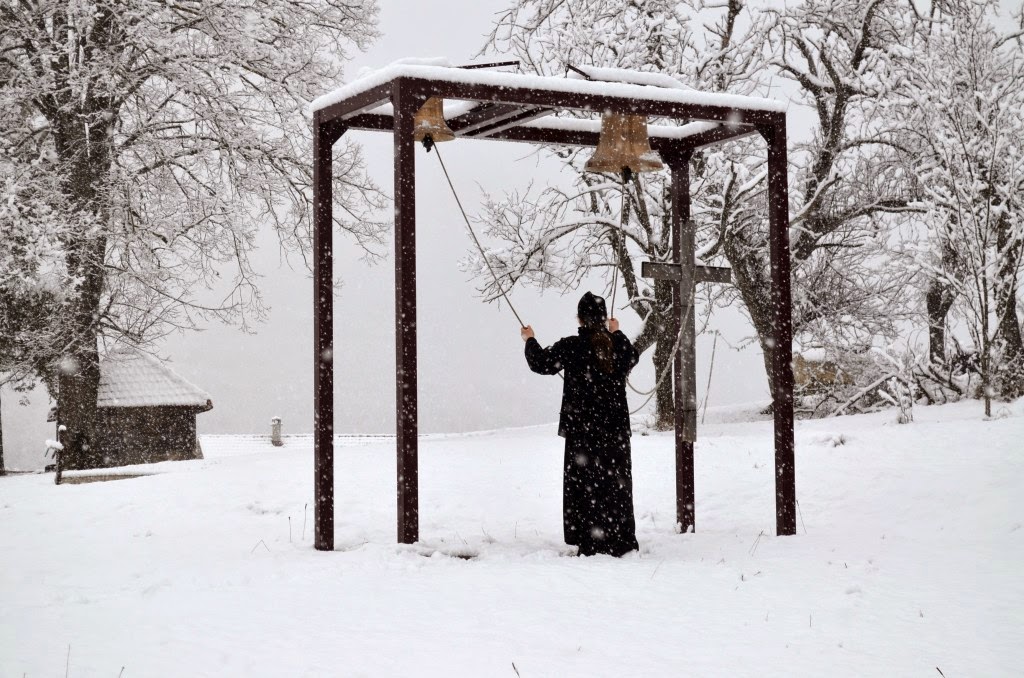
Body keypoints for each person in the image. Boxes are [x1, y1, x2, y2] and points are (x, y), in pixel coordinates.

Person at [521, 292, 641, 557]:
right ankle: (619, 539)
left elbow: (541, 363)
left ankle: (591, 540)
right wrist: (617, 332)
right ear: (604, 318)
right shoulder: (617, 346)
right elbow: (632, 356)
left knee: (586, 486)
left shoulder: (572, 346)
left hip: (583, 432)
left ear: (579, 318)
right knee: (615, 486)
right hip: (615, 431)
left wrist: (530, 339)